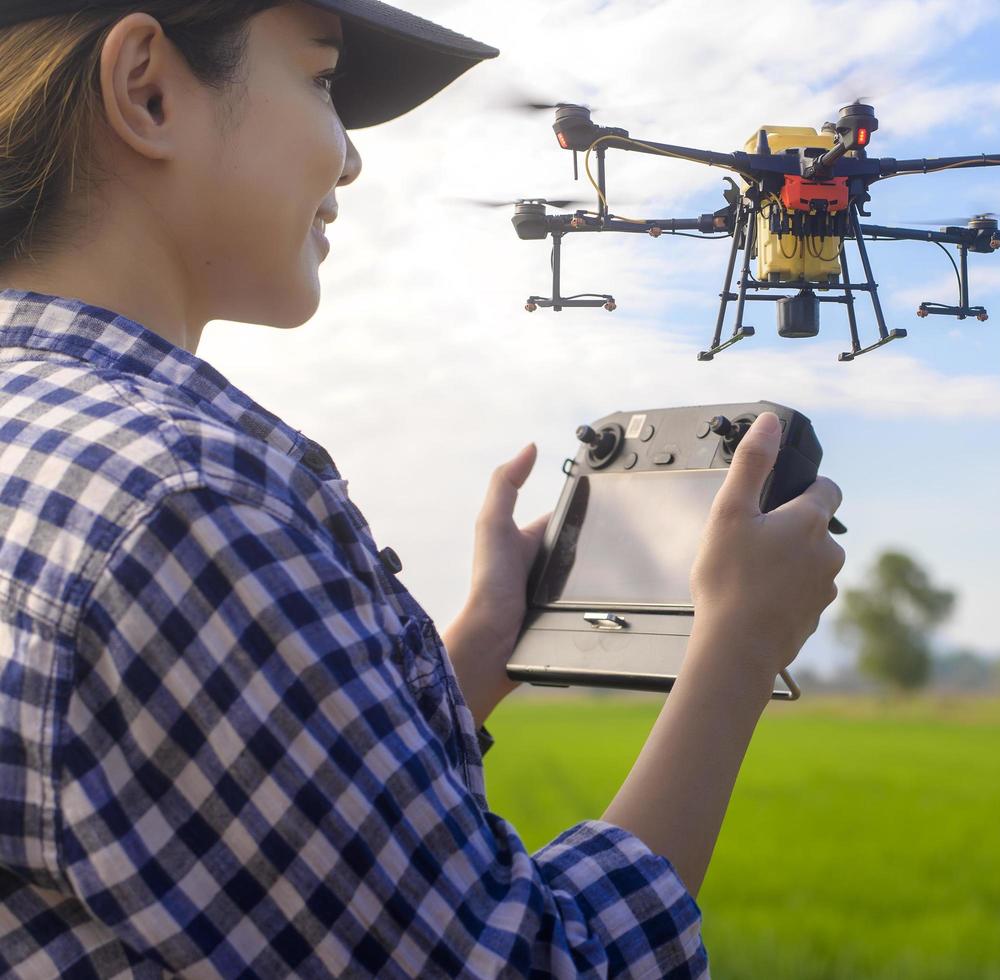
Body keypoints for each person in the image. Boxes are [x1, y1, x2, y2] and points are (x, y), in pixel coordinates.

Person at [0, 1, 846, 976]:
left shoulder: (58, 451)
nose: (350, 159)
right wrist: (740, 645)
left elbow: (205, 814)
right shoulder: (184, 507)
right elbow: (533, 962)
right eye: (320, 81)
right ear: (147, 90)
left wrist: (477, 649)